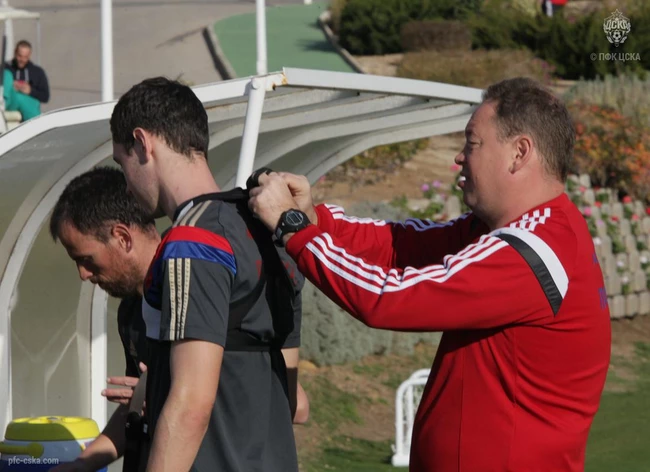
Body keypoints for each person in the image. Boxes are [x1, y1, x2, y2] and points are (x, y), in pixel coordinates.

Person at [248, 77, 611, 471]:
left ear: (519, 153)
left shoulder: (532, 251)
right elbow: (402, 245)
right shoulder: (516, 230)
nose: (459, 157)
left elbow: (388, 297)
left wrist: (294, 229)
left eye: (472, 143)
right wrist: (316, 220)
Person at [47, 167, 309, 472]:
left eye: (85, 259)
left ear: (122, 237)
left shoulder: (207, 285)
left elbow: (294, 405)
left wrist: (169, 389)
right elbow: (140, 406)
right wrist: (81, 465)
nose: (83, 274)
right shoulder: (132, 311)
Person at [110, 77, 305, 472]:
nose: (127, 186)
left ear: (142, 143)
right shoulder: (268, 232)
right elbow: (291, 399)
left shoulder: (192, 239)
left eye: (121, 163)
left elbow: (190, 403)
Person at [3, 40, 50, 121]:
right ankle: (2, 102)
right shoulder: (6, 67)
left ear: (29, 55)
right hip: (10, 101)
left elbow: (45, 97)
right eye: (20, 56)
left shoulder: (37, 72)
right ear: (15, 53)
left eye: (25, 57)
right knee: (6, 74)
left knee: (23, 99)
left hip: (29, 104)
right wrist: (11, 85)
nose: (22, 59)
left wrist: (30, 91)